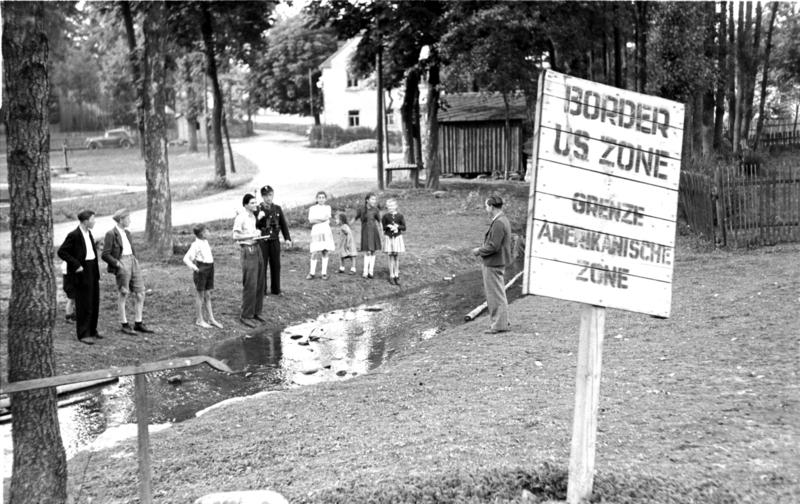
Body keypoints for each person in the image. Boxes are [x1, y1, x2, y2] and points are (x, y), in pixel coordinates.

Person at [101, 208, 155, 335]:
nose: (130, 221)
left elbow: (130, 248)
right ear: (121, 220)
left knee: (140, 292)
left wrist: (134, 259)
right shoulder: (111, 234)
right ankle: (124, 323)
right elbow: (105, 254)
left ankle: (138, 322)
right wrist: (117, 264)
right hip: (122, 262)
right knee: (124, 293)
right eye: (128, 218)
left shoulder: (128, 233)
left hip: (132, 261)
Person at [57, 210, 102, 345]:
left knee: (94, 301)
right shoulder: (74, 235)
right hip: (81, 271)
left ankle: (92, 330)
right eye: (93, 219)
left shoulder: (89, 233)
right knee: (84, 303)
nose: (95, 222)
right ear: (86, 221)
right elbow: (62, 252)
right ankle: (83, 334)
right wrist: (76, 264)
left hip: (92, 270)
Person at [471, 194, 512, 334]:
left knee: (494, 295)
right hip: (498, 261)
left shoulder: (499, 222)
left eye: (486, 206)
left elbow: (494, 246)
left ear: (491, 207)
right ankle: (503, 322)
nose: (485, 209)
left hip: (493, 263)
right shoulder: (503, 219)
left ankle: (499, 325)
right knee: (499, 293)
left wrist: (479, 251)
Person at [232, 193, 266, 327]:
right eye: (252, 203)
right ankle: (246, 315)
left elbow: (252, 232)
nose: (255, 204)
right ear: (245, 205)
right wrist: (251, 235)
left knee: (260, 282)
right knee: (250, 283)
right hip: (248, 250)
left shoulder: (253, 217)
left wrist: (257, 233)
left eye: (255, 202)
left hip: (257, 248)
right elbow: (235, 236)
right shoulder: (241, 217)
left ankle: (256, 312)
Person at [183, 223, 223, 329]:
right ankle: (199, 319)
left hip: (210, 268)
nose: (209, 232)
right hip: (202, 270)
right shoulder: (195, 245)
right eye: (207, 231)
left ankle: (211, 318)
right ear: (202, 234)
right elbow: (186, 259)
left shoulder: (205, 242)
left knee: (208, 294)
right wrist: (195, 268)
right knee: (200, 295)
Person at [256, 185, 292, 296]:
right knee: (262, 265)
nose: (268, 198)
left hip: (275, 240)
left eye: (270, 195)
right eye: (266, 196)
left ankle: (276, 289)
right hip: (263, 240)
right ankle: (262, 290)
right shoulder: (258, 209)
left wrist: (287, 239)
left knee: (276, 264)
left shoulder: (277, 208)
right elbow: (254, 225)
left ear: (273, 195)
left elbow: (283, 224)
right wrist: (259, 218)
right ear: (262, 196)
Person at [306, 190, 336, 280]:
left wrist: (317, 219)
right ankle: (312, 273)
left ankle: (324, 273)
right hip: (316, 230)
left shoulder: (328, 207)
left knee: (325, 251)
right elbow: (311, 220)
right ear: (316, 199)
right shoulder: (312, 208)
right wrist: (321, 220)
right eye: (319, 197)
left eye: (323, 197)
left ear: (325, 199)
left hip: (325, 230)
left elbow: (326, 218)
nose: (321, 199)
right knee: (314, 251)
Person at [355, 192, 382, 279]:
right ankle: (365, 271)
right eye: (372, 199)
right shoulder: (361, 209)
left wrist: (382, 230)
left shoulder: (376, 210)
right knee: (367, 251)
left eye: (375, 199)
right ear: (367, 200)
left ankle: (371, 272)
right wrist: (347, 224)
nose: (374, 201)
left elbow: (379, 221)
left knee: (373, 251)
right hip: (365, 232)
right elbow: (355, 218)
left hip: (374, 231)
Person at [381, 198, 406, 285]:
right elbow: (383, 227)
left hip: (397, 238)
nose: (390, 207)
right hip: (389, 237)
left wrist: (397, 226)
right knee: (390, 256)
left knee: (396, 256)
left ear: (396, 206)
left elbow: (404, 227)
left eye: (392, 206)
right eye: (388, 206)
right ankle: (391, 275)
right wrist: (388, 226)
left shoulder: (400, 216)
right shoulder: (385, 216)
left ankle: (396, 274)